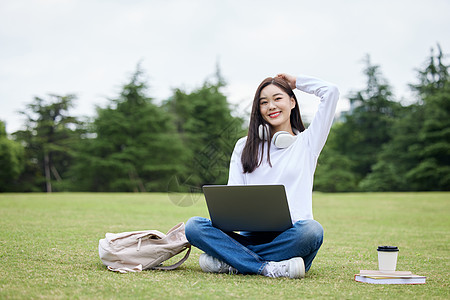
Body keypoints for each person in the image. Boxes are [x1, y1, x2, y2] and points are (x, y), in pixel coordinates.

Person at [185, 72, 339, 278]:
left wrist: (296, 82)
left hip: (291, 239)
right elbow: (233, 196)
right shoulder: (244, 146)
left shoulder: (308, 143)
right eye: (264, 102)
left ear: (292, 102)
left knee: (312, 231)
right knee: (194, 226)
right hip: (250, 236)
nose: (271, 106)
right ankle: (269, 268)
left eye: (278, 98)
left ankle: (233, 261)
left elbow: (331, 92)